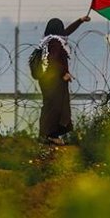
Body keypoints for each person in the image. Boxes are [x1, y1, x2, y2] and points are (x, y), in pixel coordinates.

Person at [37, 15, 90, 145]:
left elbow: (67, 32)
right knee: (56, 108)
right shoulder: (55, 42)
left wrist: (80, 21)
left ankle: (45, 135)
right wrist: (64, 73)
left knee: (50, 106)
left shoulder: (48, 40)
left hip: (46, 79)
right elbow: (53, 61)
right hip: (54, 80)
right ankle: (51, 135)